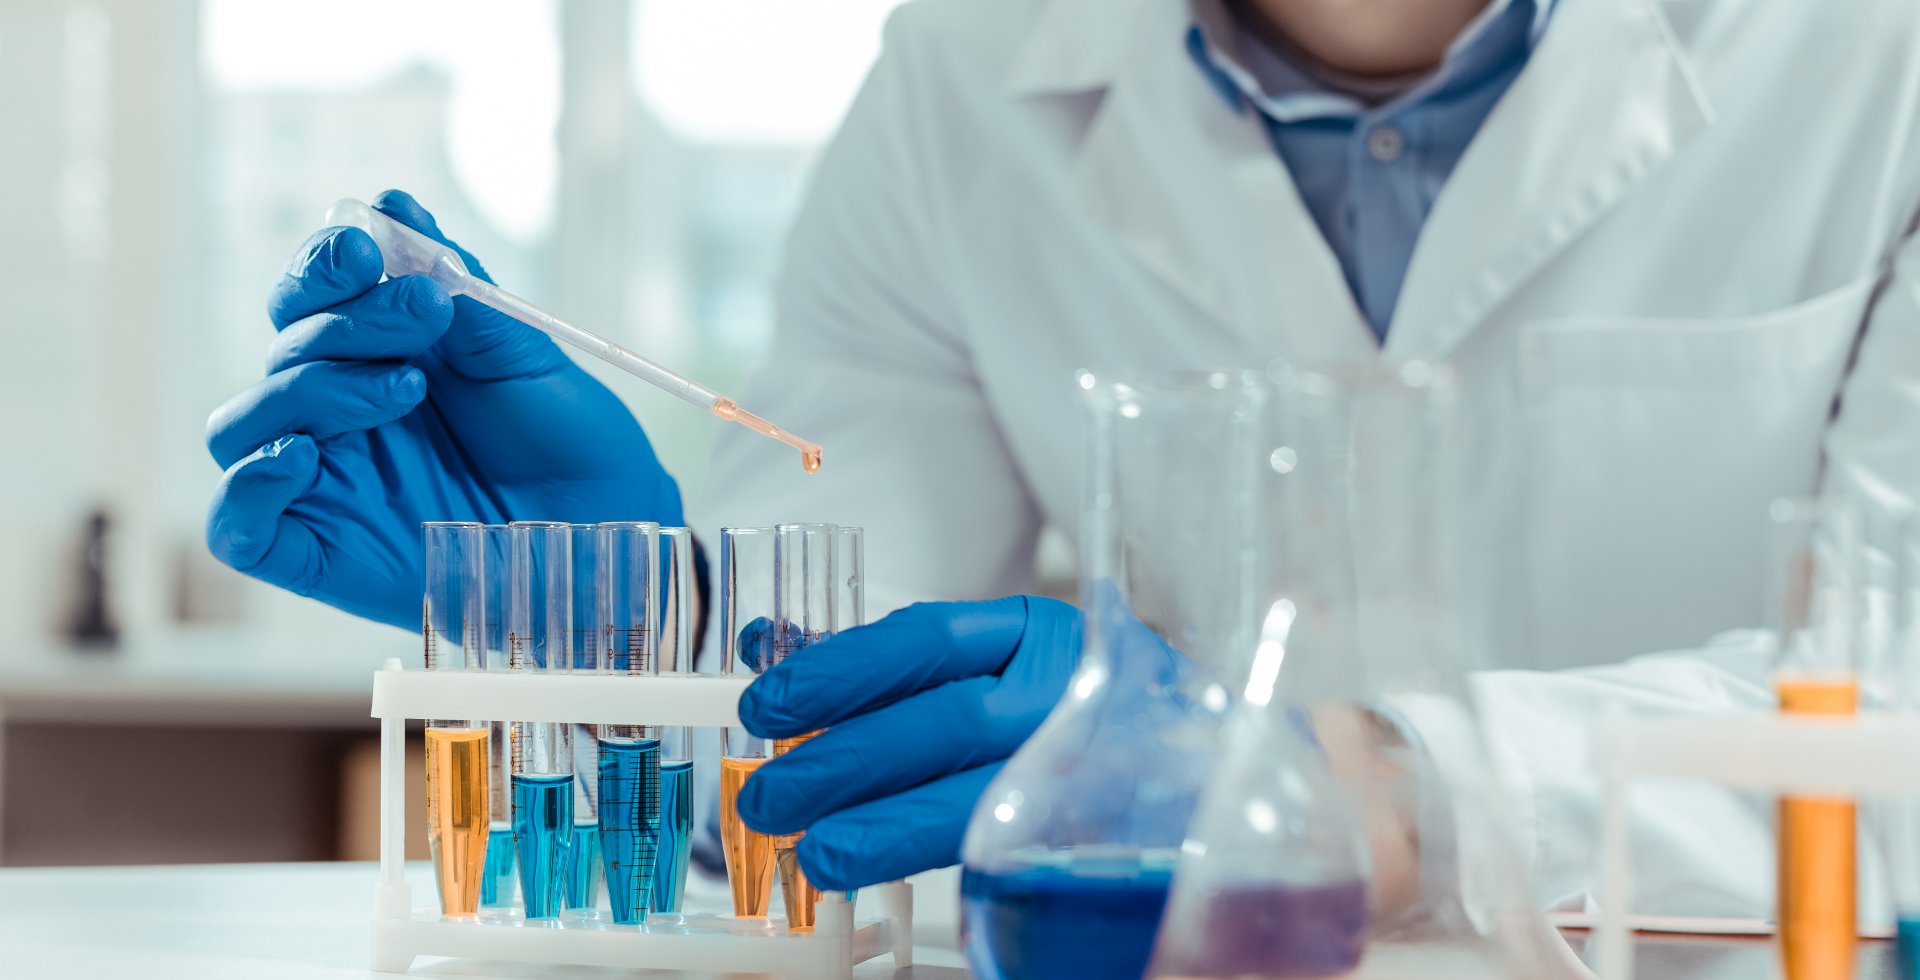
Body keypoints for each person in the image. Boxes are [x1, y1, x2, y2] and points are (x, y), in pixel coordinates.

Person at [206, 0, 1920, 916]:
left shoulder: (1875, 55)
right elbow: (837, 685)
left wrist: (1352, 795)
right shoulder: (964, 72)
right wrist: (628, 623)